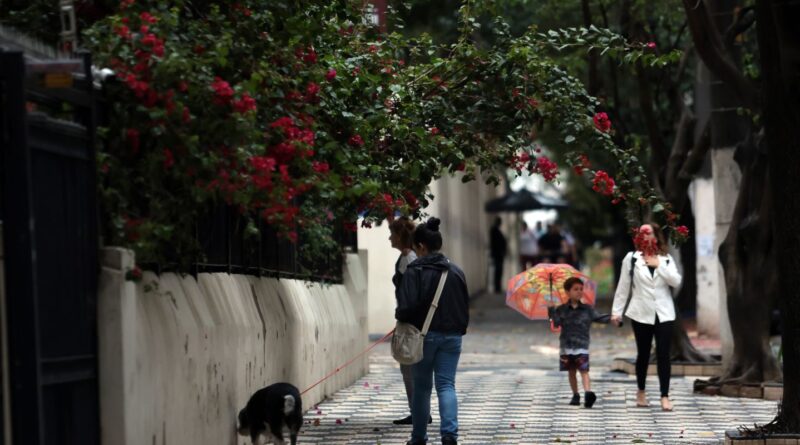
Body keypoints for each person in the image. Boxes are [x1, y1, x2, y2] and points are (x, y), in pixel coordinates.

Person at [396, 217, 470, 445]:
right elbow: (464, 306)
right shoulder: (456, 271)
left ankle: (419, 437)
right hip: (452, 337)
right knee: (446, 385)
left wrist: (402, 319)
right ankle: (449, 435)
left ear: (421, 246)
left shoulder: (414, 271)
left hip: (423, 337)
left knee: (422, 387)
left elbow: (405, 307)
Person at [610, 223, 682, 412]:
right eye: (640, 233)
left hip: (664, 313)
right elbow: (623, 287)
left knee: (663, 354)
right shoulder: (632, 259)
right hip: (641, 313)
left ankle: (664, 396)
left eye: (647, 233)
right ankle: (641, 391)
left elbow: (676, 281)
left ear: (655, 237)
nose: (644, 236)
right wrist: (616, 312)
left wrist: (659, 266)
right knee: (643, 354)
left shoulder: (666, 259)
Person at [389, 217, 430, 426]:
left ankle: (419, 412)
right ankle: (419, 411)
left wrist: (403, 317)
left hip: (411, 320)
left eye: (392, 234)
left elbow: (411, 292)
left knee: (409, 367)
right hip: (411, 317)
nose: (389, 238)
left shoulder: (408, 258)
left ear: (400, 236)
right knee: (410, 367)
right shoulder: (408, 256)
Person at [547, 277, 610, 408]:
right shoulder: (561, 309)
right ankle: (575, 394)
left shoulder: (587, 309)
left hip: (582, 345)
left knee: (584, 370)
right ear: (567, 292)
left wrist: (613, 319)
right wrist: (551, 310)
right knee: (571, 371)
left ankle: (588, 394)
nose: (579, 291)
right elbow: (556, 323)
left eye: (581, 289)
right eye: (575, 289)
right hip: (566, 345)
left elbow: (599, 317)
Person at [489, 217, 507, 293]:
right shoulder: (494, 231)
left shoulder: (496, 231)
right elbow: (495, 243)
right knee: (498, 271)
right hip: (497, 254)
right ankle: (497, 287)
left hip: (499, 254)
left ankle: (498, 287)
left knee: (499, 271)